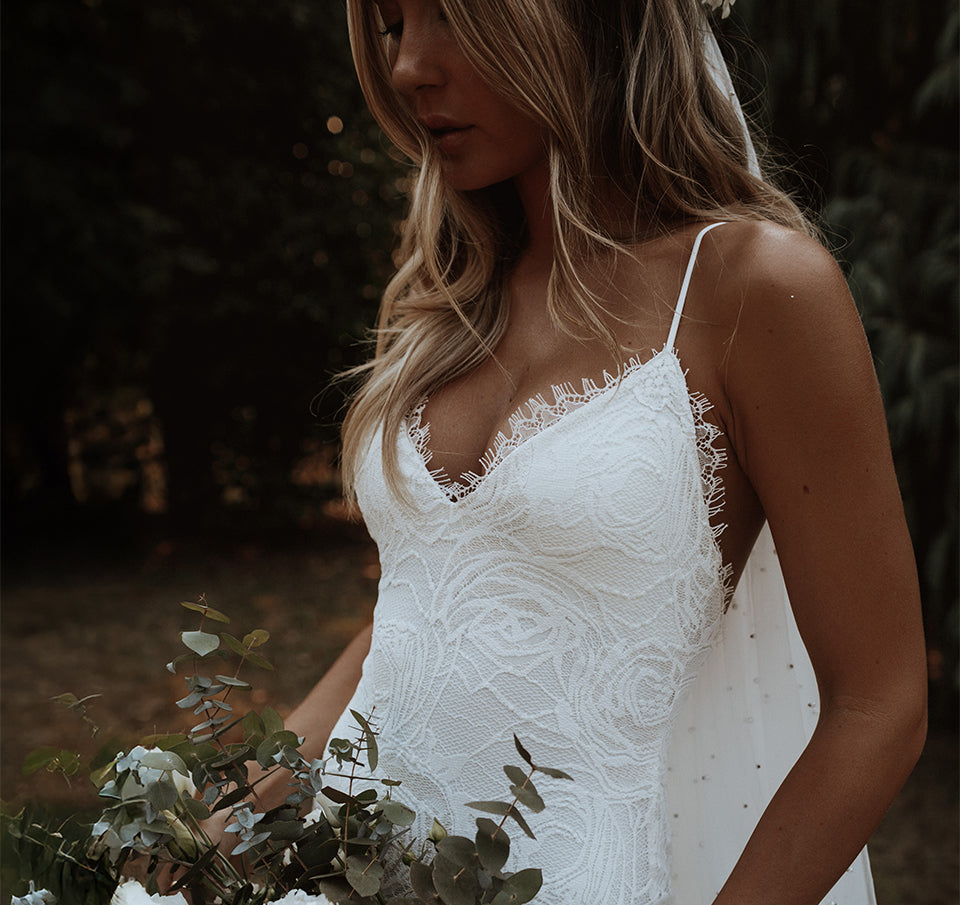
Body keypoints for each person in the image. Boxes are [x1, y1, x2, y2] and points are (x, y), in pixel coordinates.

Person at [217, 1, 928, 903]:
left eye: (452, 16)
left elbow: (880, 704)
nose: (407, 68)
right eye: (395, 24)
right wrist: (223, 827)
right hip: (343, 871)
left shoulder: (756, 289)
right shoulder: (451, 301)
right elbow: (415, 620)